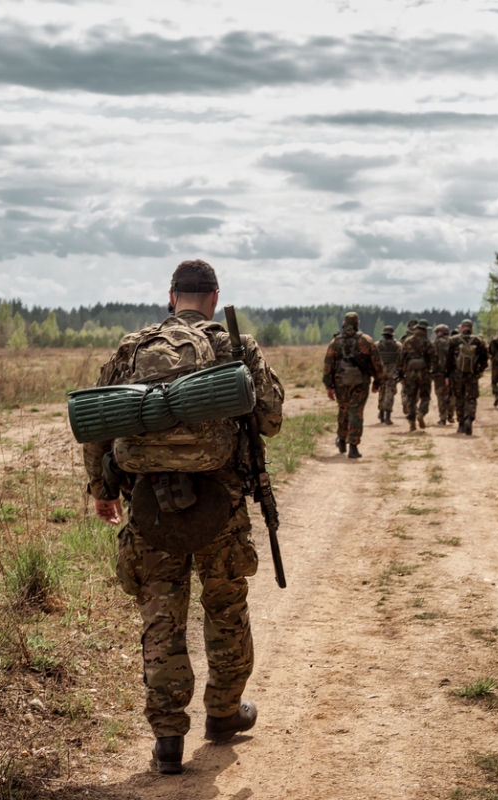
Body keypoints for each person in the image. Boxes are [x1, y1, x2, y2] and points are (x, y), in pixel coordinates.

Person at [82, 260, 285, 775]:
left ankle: (168, 738)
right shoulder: (236, 346)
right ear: (214, 298)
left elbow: (99, 424)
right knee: (225, 608)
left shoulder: (131, 347)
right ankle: (222, 713)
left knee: (161, 617)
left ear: (171, 297)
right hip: (221, 504)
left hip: (149, 505)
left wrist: (103, 489)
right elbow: (272, 420)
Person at [323, 311, 385, 459]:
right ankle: (353, 447)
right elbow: (377, 363)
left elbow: (328, 365)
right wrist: (378, 381)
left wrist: (329, 386)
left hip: (341, 382)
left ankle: (342, 440)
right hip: (360, 383)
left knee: (343, 410)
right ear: (357, 324)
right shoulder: (366, 341)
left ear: (344, 323)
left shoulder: (335, 342)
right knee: (356, 412)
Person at [444, 318, 489, 435]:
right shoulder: (479, 341)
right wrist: (479, 370)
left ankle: (461, 425)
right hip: (472, 374)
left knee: (459, 398)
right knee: (471, 398)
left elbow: (448, 360)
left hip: (457, 374)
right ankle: (469, 418)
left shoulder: (453, 340)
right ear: (471, 328)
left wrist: (446, 375)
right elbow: (485, 359)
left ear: (461, 328)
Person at [397, 320, 434, 432]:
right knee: (425, 396)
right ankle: (421, 413)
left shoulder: (407, 341)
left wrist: (400, 374)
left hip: (410, 373)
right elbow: (435, 359)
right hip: (424, 373)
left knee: (411, 398)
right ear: (425, 330)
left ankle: (412, 422)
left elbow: (400, 359)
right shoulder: (428, 343)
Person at [375, 325, 401, 424]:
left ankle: (381, 414)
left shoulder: (377, 345)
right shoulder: (398, 345)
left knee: (381, 392)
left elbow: (374, 359)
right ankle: (388, 417)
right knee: (390, 394)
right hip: (392, 373)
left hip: (381, 372)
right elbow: (401, 359)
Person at [432, 324, 455, 425]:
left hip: (439, 373)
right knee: (451, 394)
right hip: (452, 372)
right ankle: (450, 414)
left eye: (437, 332)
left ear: (440, 332)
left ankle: (442, 418)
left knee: (441, 395)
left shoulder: (436, 343)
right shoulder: (453, 342)